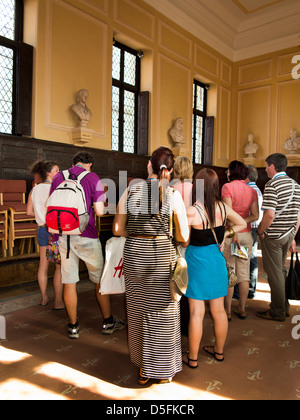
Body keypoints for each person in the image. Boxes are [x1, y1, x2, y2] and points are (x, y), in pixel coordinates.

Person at [113, 146, 189, 385]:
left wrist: (137, 235)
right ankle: (161, 369)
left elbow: (117, 229)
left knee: (137, 310)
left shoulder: (131, 190)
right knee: (163, 313)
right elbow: (184, 236)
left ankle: (143, 368)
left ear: (149, 165)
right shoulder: (173, 194)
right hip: (159, 257)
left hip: (135, 255)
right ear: (170, 169)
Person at [49, 151, 125, 339]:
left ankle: (73, 326)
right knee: (100, 280)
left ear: (74, 163)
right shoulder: (93, 178)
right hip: (87, 235)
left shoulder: (59, 176)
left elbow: (50, 205)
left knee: (69, 282)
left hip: (64, 235)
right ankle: (108, 322)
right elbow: (99, 212)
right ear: (89, 164)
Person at [182, 168, 246, 367]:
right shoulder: (223, 208)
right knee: (219, 311)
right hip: (216, 261)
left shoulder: (192, 211)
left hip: (196, 262)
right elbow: (242, 223)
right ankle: (218, 352)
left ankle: (192, 358)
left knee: (196, 313)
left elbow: (183, 242)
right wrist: (226, 235)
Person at [257, 153, 300, 322]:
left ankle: (278, 311)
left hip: (273, 236)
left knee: (274, 272)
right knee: (280, 270)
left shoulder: (272, 184)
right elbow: (298, 215)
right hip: (288, 233)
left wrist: (260, 231)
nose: (266, 169)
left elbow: (269, 214)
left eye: (267, 166)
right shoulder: (296, 185)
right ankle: (284, 305)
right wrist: (293, 235)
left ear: (273, 166)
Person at [221, 161, 259, 321]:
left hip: (231, 234)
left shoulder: (227, 187)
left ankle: (228, 311)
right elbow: (255, 215)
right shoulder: (251, 190)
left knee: (230, 271)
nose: (227, 173)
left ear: (232, 172)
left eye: (228, 170)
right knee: (244, 274)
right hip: (246, 236)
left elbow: (226, 214)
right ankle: (242, 309)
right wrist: (243, 221)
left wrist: (236, 224)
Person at [27, 160, 64, 309]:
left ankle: (44, 298)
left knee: (43, 266)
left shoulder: (34, 190)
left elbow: (29, 212)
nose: (59, 172)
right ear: (48, 173)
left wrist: (40, 214)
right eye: (56, 170)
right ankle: (59, 301)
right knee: (58, 267)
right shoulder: (57, 189)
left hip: (42, 229)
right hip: (54, 231)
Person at [233, 165, 263, 299]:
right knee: (250, 258)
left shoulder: (249, 190)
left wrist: (237, 223)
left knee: (241, 260)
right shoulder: (257, 190)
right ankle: (251, 290)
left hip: (245, 228)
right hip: (253, 227)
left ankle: (240, 292)